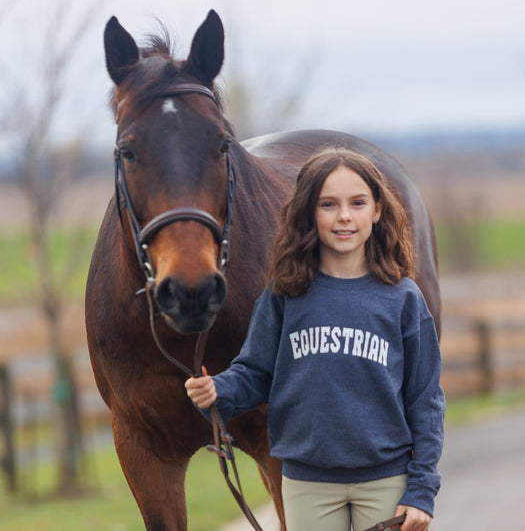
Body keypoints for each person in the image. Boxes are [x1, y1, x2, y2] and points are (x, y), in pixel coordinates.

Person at [185, 148, 445, 531]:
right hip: (308, 484)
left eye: (357, 202)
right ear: (309, 212)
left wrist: (421, 489)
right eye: (328, 204)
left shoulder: (403, 299)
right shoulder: (284, 296)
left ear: (376, 210)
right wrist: (218, 391)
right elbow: (256, 373)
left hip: (387, 481)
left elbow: (425, 401)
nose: (344, 216)